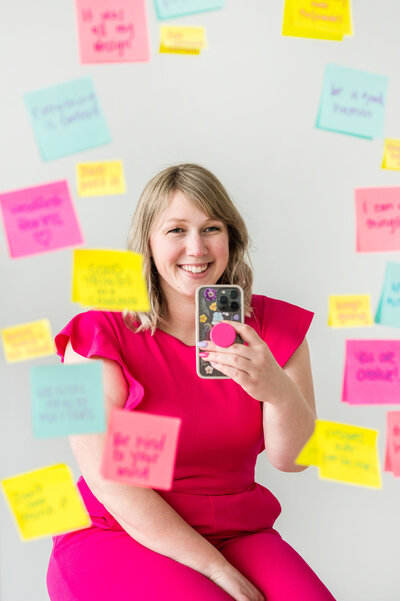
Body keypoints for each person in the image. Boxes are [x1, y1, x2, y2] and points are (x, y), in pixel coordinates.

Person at [47, 163, 336, 601]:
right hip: (120, 530)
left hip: (238, 531)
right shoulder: (96, 335)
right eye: (176, 230)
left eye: (211, 228)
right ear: (147, 241)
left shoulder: (275, 328)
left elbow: (292, 459)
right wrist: (218, 572)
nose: (196, 248)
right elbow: (111, 481)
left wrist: (276, 390)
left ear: (231, 238)